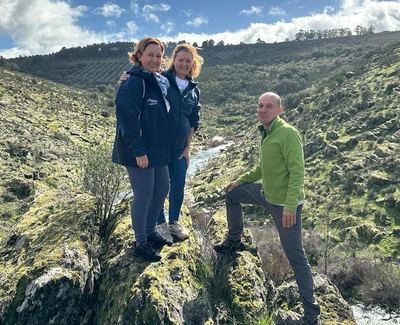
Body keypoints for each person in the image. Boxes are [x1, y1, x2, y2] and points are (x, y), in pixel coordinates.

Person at [213, 92, 321, 325]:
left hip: (284, 205)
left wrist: (291, 206)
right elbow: (263, 167)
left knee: (296, 256)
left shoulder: (287, 134)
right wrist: (241, 180)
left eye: (269, 106)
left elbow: (297, 172)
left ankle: (312, 315)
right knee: (231, 194)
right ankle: (234, 240)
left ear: (279, 110)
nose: (263, 110)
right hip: (266, 194)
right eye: (260, 106)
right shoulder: (266, 133)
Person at [112, 37, 172, 262]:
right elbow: (127, 120)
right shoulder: (133, 82)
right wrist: (139, 151)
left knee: (161, 189)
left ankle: (150, 232)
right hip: (138, 150)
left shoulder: (157, 80)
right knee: (144, 193)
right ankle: (140, 242)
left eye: (158, 56)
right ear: (139, 55)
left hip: (157, 149)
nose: (155, 59)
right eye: (150, 55)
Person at [154, 43, 203, 243]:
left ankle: (174, 221)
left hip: (180, 149)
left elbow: (193, 121)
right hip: (160, 146)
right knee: (161, 186)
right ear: (174, 61)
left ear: (193, 64)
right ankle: (159, 223)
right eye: (180, 59)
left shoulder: (193, 90)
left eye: (188, 61)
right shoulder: (161, 80)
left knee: (179, 185)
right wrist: (126, 78)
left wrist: (187, 147)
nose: (184, 63)